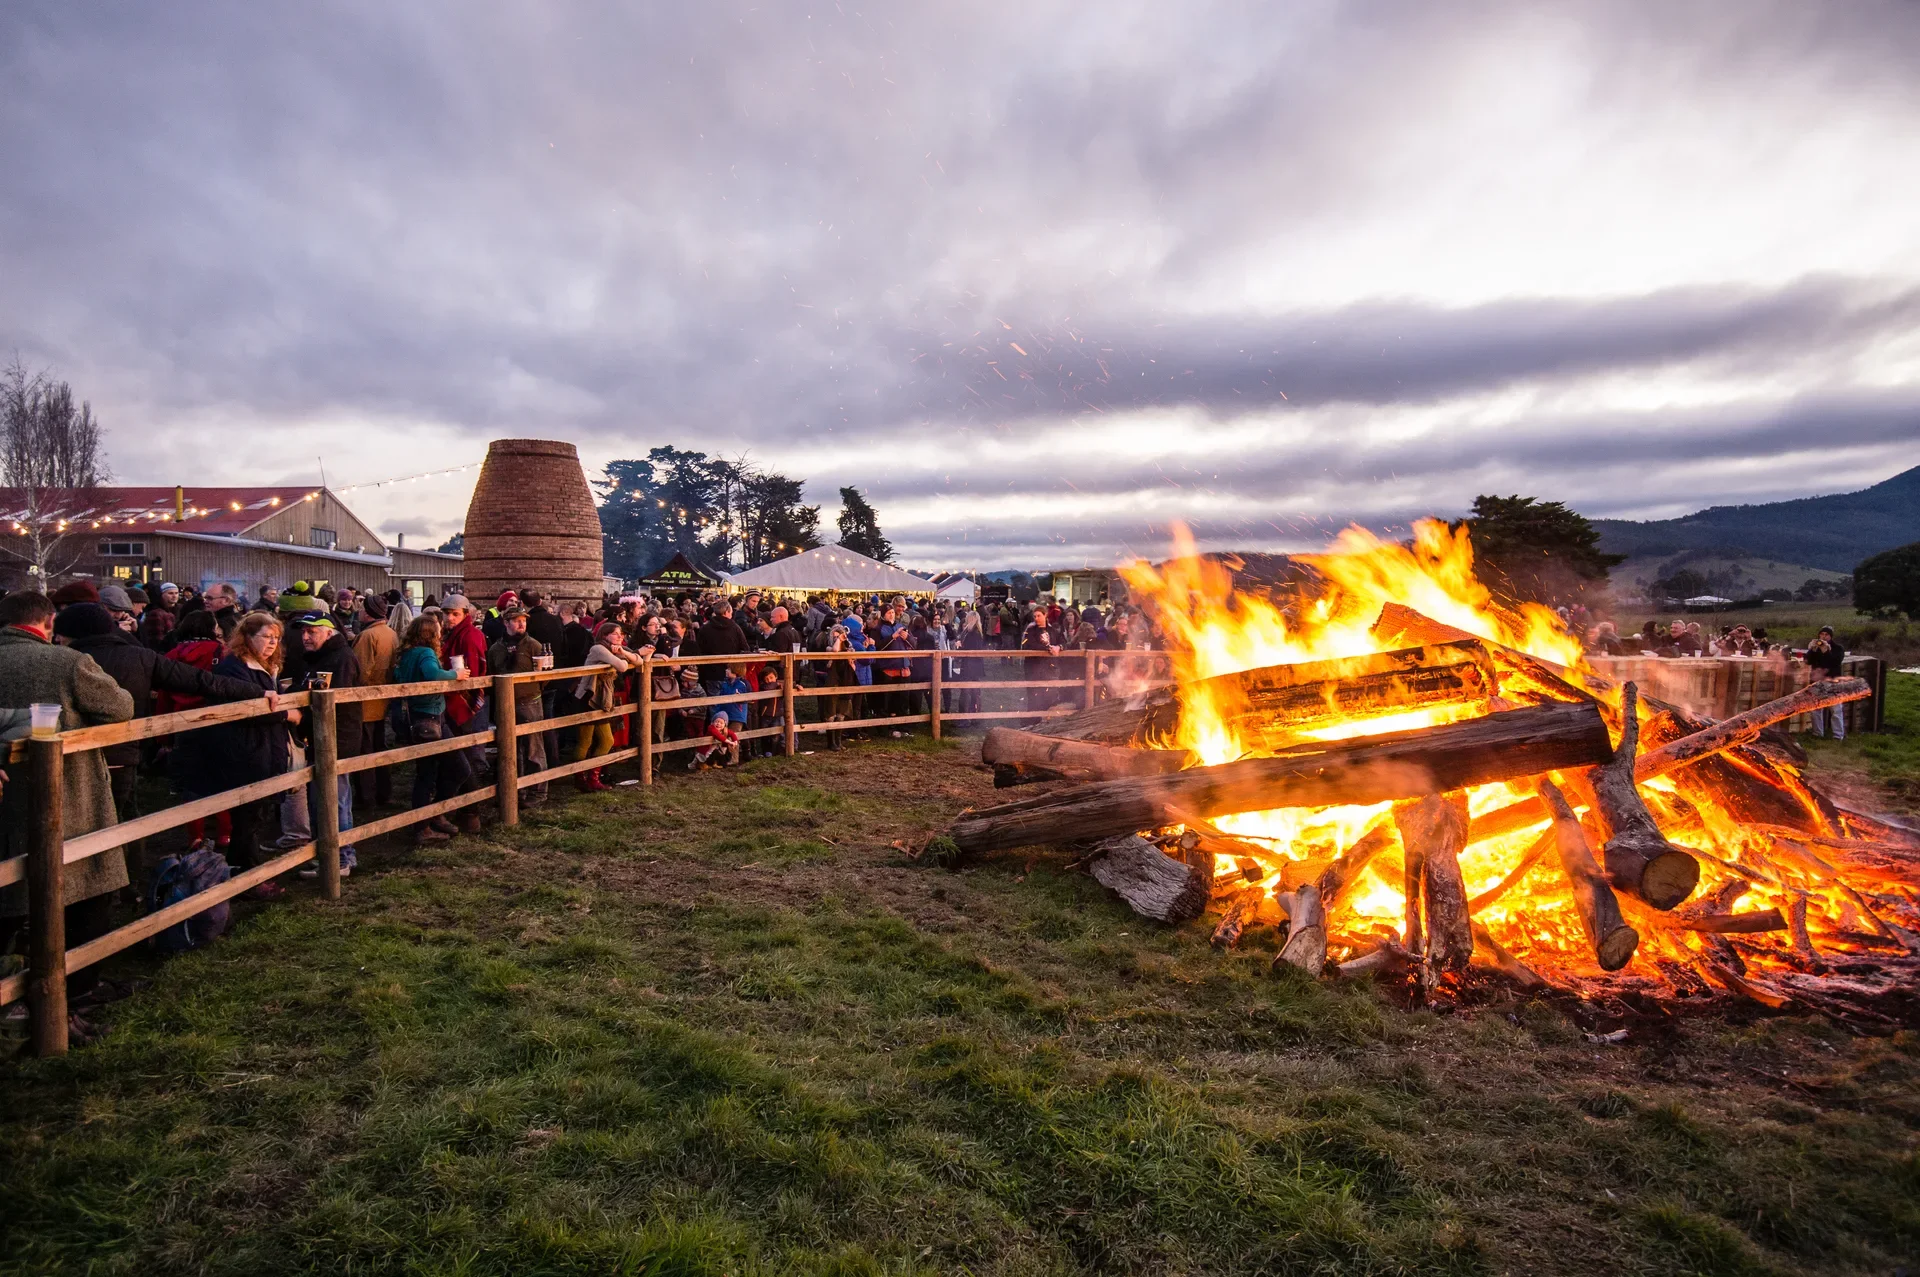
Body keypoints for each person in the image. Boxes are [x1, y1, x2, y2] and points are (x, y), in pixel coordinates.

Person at [54, 601, 266, 891]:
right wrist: (258, 692)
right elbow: (203, 682)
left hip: (70, 758)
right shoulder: (138, 656)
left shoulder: (64, 660)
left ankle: (82, 888)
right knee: (126, 817)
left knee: (75, 825)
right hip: (123, 754)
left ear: (71, 634)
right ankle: (126, 885)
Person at [0, 590, 136, 1040]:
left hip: (6, 801)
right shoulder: (65, 662)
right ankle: (72, 994)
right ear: (46, 623)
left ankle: (13, 994)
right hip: (69, 796)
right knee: (83, 889)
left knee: (10, 895)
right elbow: (121, 707)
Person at [186, 612, 296, 899]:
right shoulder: (235, 668)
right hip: (246, 750)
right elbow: (247, 710)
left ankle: (242, 874)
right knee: (248, 817)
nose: (272, 643)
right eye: (266, 637)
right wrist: (288, 714)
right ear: (247, 637)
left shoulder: (262, 666)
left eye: (276, 638)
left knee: (255, 817)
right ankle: (248, 877)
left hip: (263, 747)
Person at [288, 613, 363, 880]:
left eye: (312, 632)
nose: (305, 637)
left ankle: (339, 858)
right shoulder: (319, 658)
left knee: (335, 799)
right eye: (303, 632)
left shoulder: (340, 659)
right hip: (322, 737)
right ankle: (335, 856)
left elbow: (332, 702)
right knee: (326, 798)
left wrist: (300, 715)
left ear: (329, 632)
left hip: (336, 738)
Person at [391, 615, 472, 845]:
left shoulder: (406, 654)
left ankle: (429, 818)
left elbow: (397, 677)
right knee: (453, 768)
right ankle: (428, 820)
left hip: (415, 716)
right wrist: (455, 675)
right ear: (430, 633)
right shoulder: (425, 653)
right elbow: (433, 674)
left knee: (428, 771)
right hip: (430, 716)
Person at [573, 622, 637, 791]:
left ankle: (593, 776)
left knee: (607, 740)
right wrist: (624, 654)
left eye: (621, 634)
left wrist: (623, 651)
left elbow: (639, 661)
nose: (620, 637)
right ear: (605, 635)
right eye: (616, 634)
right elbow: (623, 666)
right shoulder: (598, 649)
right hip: (588, 699)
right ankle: (580, 777)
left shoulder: (614, 650)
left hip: (602, 700)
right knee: (585, 741)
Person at [351, 593, 399, 810]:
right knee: (380, 747)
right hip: (383, 698)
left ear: (369, 613)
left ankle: (367, 798)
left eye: (362, 608)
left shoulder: (367, 636)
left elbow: (360, 671)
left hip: (365, 702)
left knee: (365, 751)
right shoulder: (391, 633)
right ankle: (384, 793)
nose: (359, 611)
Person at [437, 594, 490, 790]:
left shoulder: (469, 636)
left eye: (455, 614)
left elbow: (474, 671)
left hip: (462, 698)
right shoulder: (453, 634)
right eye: (447, 614)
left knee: (465, 750)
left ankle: (470, 800)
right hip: (452, 697)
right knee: (458, 749)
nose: (450, 618)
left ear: (465, 614)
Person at [1801, 626, 1848, 740]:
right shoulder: (1816, 647)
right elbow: (1807, 661)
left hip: (1833, 681)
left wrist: (1826, 651)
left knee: (1836, 710)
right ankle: (1817, 733)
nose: (1823, 637)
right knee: (1815, 709)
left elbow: (1834, 662)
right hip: (1817, 682)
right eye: (1821, 634)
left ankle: (1838, 736)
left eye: (1826, 635)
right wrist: (1812, 649)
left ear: (1831, 636)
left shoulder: (1838, 648)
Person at [140, 581, 181, 651]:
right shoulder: (156, 613)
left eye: (176, 593)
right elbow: (155, 640)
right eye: (170, 593)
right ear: (162, 595)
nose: (174, 596)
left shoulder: (181, 609)